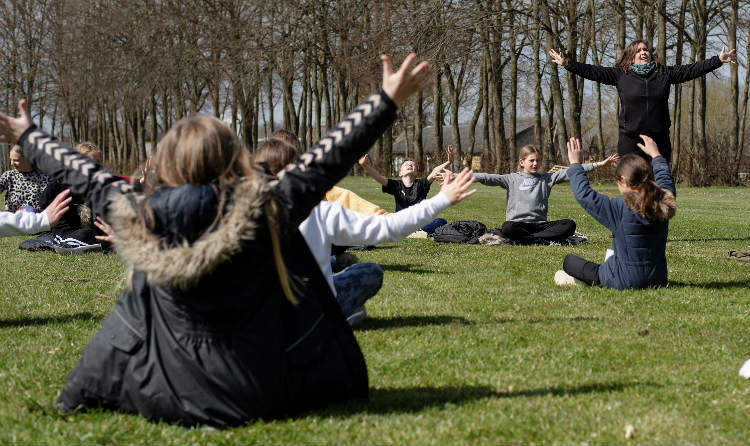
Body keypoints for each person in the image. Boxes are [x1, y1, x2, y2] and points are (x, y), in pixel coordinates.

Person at [0, 53, 434, 427]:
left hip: (162, 394)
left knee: (134, 302)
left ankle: (83, 391)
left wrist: (28, 137)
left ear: (165, 162)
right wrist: (386, 100)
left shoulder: (138, 210)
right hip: (262, 392)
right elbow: (327, 156)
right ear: (234, 160)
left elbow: (84, 173)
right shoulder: (266, 205)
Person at [254, 140, 476, 326]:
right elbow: (388, 226)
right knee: (370, 271)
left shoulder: (236, 213)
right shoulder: (320, 212)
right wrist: (444, 198)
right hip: (312, 309)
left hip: (264, 313)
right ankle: (338, 311)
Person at [547, 41, 736, 160]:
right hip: (631, 140)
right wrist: (567, 63)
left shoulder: (663, 73)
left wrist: (718, 60)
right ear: (631, 56)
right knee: (632, 186)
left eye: (646, 49)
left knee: (658, 187)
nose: (644, 52)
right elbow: (592, 71)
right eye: (639, 50)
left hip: (659, 138)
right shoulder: (621, 75)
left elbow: (691, 70)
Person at [555, 136, 676, 288]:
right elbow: (665, 179)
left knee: (569, 261)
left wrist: (574, 164)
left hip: (625, 280)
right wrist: (656, 156)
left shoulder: (620, 207)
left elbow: (584, 194)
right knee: (613, 255)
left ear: (623, 180)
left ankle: (583, 281)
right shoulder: (663, 200)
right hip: (658, 279)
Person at [473, 145, 618, 245]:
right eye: (532, 160)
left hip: (540, 226)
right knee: (507, 228)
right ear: (522, 162)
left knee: (569, 224)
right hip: (518, 225)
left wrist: (598, 164)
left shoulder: (546, 178)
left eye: (537, 160)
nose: (535, 163)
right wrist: (459, 175)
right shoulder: (511, 179)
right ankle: (542, 240)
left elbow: (571, 171)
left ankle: (529, 240)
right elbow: (487, 177)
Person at [357, 146, 454, 235]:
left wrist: (448, 161)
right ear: (400, 173)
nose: (410, 165)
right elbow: (378, 177)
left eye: (413, 165)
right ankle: (416, 233)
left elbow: (434, 172)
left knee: (441, 221)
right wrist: (365, 165)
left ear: (416, 173)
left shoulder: (421, 184)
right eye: (406, 164)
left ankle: (416, 232)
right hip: (401, 222)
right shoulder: (396, 185)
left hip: (419, 223)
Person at [34, 142, 107, 248]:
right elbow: (44, 205)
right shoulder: (61, 184)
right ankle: (71, 243)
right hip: (66, 229)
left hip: (92, 229)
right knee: (85, 235)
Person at [0, 145, 51, 212]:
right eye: (11, 159)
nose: (12, 163)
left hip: (36, 221)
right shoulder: (9, 176)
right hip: (13, 220)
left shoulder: (45, 177)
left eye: (16, 160)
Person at [0, 189, 70, 236]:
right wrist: (40, 220)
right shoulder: (9, 175)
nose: (13, 165)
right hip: (23, 215)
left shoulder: (44, 176)